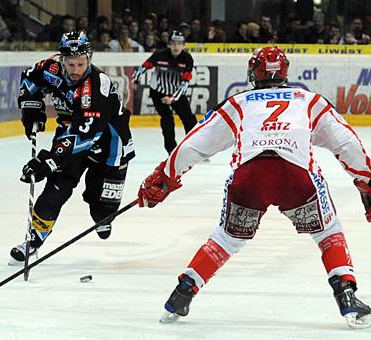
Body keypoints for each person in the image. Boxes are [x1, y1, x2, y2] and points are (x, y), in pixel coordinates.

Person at [137, 47, 371, 329]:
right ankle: (346, 297)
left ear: (253, 73)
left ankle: (182, 293)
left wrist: (164, 178)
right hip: (295, 176)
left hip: (248, 177)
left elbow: (194, 144)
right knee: (328, 231)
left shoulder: (238, 103)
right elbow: (347, 144)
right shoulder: (309, 100)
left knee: (226, 238)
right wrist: (366, 180)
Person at [9, 30, 135, 263]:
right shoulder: (51, 69)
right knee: (54, 192)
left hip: (109, 147)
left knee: (101, 210)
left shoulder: (96, 86)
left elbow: (85, 133)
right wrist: (30, 107)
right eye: (70, 63)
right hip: (71, 138)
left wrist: (49, 159)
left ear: (89, 59)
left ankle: (103, 216)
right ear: (61, 59)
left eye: (80, 63)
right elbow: (29, 79)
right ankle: (33, 241)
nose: (75, 69)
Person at [132, 30, 197, 154]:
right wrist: (136, 79)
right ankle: (171, 150)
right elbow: (144, 66)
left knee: (188, 118)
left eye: (179, 43)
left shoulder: (187, 59)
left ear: (184, 45)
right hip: (158, 92)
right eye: (173, 43)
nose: (176, 46)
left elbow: (185, 83)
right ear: (169, 44)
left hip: (176, 92)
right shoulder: (159, 55)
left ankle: (195, 146)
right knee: (167, 119)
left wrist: (172, 98)